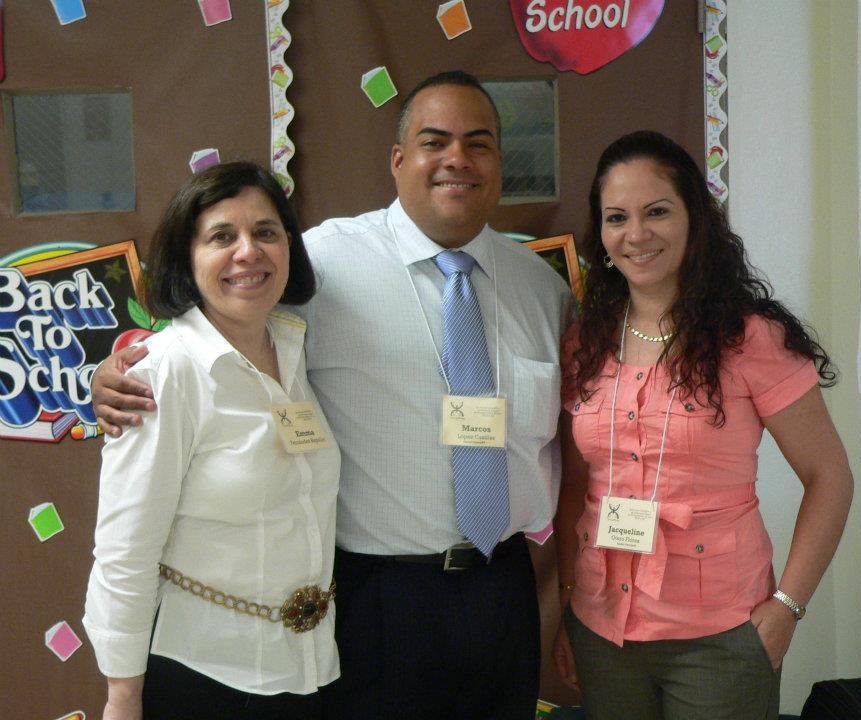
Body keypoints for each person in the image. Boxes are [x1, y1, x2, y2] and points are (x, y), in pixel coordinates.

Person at [91, 72, 571, 720]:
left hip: (505, 594)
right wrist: (109, 374)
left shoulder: (542, 291)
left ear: (498, 163)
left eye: (478, 143)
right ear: (399, 160)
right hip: (377, 598)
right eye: (435, 142)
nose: (457, 158)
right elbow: (216, 323)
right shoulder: (322, 264)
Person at [551, 131, 853, 720]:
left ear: (695, 218)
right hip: (602, 627)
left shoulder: (750, 337)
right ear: (602, 235)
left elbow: (830, 476)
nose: (636, 234)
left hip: (721, 635)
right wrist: (566, 601)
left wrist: (787, 607)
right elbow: (572, 484)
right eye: (617, 218)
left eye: (657, 211)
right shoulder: (585, 342)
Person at [83, 162, 340, 720]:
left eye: (266, 232)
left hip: (308, 667)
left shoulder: (294, 347)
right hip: (205, 677)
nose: (248, 252)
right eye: (222, 236)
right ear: (187, 258)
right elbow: (125, 552)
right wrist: (122, 698)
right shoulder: (163, 374)